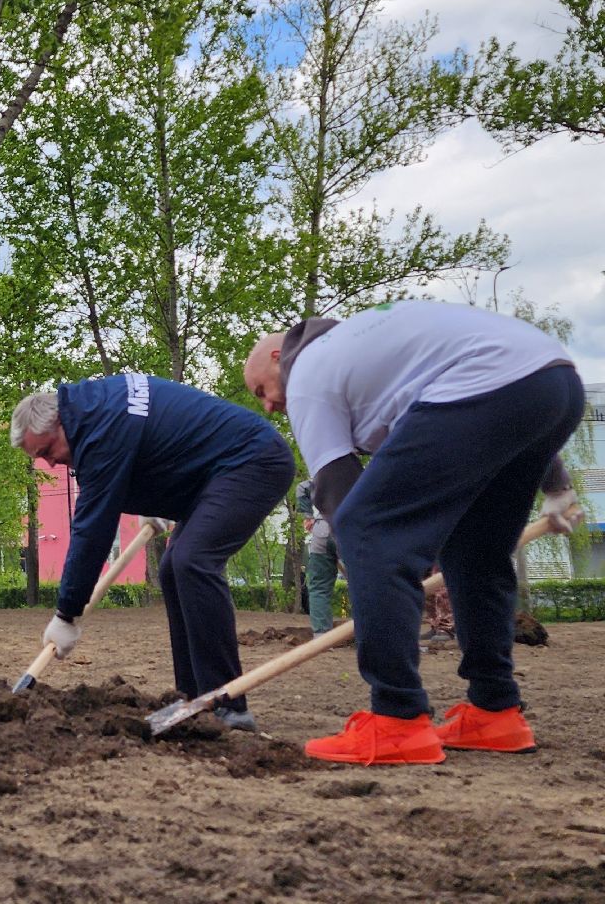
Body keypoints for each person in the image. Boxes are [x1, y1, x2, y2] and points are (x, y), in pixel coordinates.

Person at [244, 301, 583, 765]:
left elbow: (337, 488)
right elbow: (515, 388)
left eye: (261, 389)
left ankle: (397, 719)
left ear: (280, 357)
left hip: (485, 387)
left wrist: (370, 559)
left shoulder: (309, 375)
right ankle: (495, 711)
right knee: (476, 552)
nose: (269, 405)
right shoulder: (369, 357)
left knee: (366, 530)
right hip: (555, 383)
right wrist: (557, 487)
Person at [11, 374, 294, 732]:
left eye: (47, 451)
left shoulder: (100, 429)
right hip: (210, 476)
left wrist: (66, 613)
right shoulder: (95, 408)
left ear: (59, 422)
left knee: (193, 561)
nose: (50, 464)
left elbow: (92, 530)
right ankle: (191, 700)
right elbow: (157, 438)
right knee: (173, 570)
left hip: (252, 461)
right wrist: (156, 493)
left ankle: (227, 703)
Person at [294, 480, 340, 639]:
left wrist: (308, 516)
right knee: (364, 584)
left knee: (319, 587)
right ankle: (368, 634)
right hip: (349, 530)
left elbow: (301, 488)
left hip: (321, 530)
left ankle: (321, 637)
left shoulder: (327, 472)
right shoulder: (363, 472)